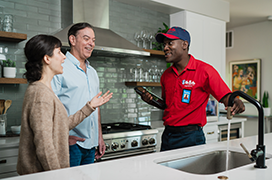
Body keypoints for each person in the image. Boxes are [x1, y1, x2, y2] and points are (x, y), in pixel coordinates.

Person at [17, 34, 112, 175]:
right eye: (59, 52)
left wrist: (90, 106)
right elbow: (44, 145)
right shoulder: (40, 94)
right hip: (43, 175)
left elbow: (60, 125)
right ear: (47, 58)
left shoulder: (44, 90)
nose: (64, 57)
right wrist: (59, 175)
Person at [140, 26, 245, 151]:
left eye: (170, 43)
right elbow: (167, 105)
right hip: (168, 136)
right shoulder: (166, 75)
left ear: (184, 45)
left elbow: (226, 97)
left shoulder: (205, 71)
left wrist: (235, 101)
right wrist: (151, 100)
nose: (165, 48)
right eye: (164, 44)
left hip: (191, 137)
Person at [51, 22, 105, 166]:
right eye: (86, 38)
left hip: (91, 144)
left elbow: (96, 107)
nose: (91, 44)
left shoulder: (92, 72)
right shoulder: (59, 67)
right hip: (71, 144)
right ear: (72, 40)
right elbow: (50, 107)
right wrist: (62, 137)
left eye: (93, 40)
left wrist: (99, 137)